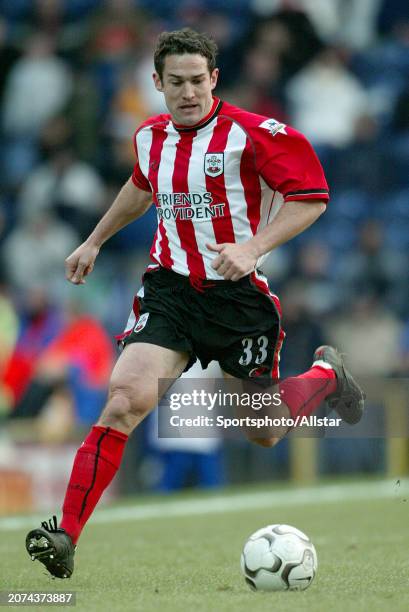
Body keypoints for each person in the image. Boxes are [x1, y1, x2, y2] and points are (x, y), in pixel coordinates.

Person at [25, 28, 364, 579]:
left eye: (198, 81)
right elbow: (141, 186)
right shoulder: (149, 137)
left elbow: (313, 197)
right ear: (157, 83)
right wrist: (94, 240)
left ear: (215, 80)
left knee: (263, 427)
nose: (188, 92)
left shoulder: (254, 135)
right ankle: (65, 535)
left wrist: (253, 247)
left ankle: (325, 374)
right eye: (176, 82)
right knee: (124, 399)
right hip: (172, 291)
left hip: (238, 303)